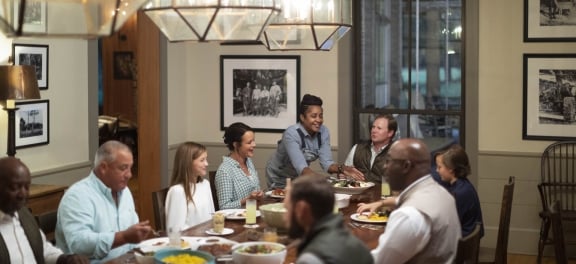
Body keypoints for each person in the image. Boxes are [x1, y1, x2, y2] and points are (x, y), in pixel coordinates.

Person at [56, 140, 151, 263]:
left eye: (130, 168)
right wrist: (123, 237)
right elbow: (79, 245)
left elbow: (131, 243)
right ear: (103, 168)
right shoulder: (77, 197)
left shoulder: (125, 191)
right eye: (123, 168)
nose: (129, 175)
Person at [371, 138, 460, 263]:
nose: (384, 166)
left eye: (388, 161)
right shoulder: (443, 194)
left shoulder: (409, 216)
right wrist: (382, 203)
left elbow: (379, 261)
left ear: (406, 166)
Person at [0, 157, 89, 264]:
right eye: (15, 187)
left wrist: (64, 259)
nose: (22, 194)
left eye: (26, 187)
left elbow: (43, 249)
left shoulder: (24, 214)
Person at [266, 94, 364, 189]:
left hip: (299, 176)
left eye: (320, 116)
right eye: (313, 116)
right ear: (302, 117)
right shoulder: (291, 134)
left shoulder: (324, 132)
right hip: (279, 176)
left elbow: (327, 163)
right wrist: (328, 181)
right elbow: (302, 168)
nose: (318, 120)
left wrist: (343, 168)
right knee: (282, 203)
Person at [283, 174, 374, 264]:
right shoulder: (359, 246)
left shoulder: (311, 259)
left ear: (301, 209)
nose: (284, 218)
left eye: (287, 209)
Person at [435, 144, 484, 238]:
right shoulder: (464, 185)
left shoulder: (460, 193)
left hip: (463, 244)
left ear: (451, 169)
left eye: (440, 167)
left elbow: (448, 225)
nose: (437, 170)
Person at [165, 142, 215, 233]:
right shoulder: (177, 191)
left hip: (208, 239)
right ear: (188, 163)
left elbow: (212, 217)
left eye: (206, 159)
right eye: (202, 160)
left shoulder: (205, 184)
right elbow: (175, 230)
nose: (207, 164)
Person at [215, 122, 264, 209]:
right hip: (237, 221)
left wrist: (259, 195)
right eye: (249, 142)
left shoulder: (249, 162)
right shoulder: (224, 171)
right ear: (236, 145)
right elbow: (224, 207)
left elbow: (256, 190)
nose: (254, 145)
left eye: (253, 141)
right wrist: (248, 199)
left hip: (253, 215)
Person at [344, 114, 398, 183]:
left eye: (379, 128)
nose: (374, 131)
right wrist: (345, 175)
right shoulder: (357, 148)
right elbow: (346, 173)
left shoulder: (396, 153)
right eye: (373, 127)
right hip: (357, 192)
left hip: (383, 193)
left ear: (390, 133)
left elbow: (397, 184)